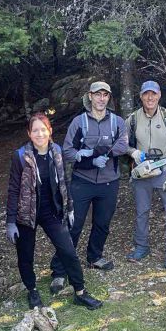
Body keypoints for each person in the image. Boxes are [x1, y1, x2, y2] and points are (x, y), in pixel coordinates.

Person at [5, 113, 103, 310]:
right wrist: (11, 221)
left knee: (68, 251)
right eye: (35, 130)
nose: (39, 134)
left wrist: (70, 208)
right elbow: (14, 189)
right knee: (26, 255)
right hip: (27, 214)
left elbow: (65, 181)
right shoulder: (21, 156)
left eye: (43, 129)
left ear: (49, 131)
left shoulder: (56, 150)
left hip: (52, 211)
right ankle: (32, 290)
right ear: (29, 133)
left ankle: (80, 292)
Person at [49, 81, 128, 294]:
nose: (101, 98)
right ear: (90, 97)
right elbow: (67, 151)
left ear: (108, 98)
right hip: (82, 181)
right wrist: (88, 158)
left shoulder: (117, 122)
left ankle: (94, 257)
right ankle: (59, 270)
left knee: (102, 223)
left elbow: (122, 144)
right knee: (73, 226)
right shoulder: (79, 122)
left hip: (109, 182)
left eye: (105, 95)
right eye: (97, 94)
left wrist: (104, 153)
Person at [125, 81, 166, 272]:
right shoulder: (132, 119)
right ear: (141, 96)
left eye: (153, 94)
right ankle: (141, 247)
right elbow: (123, 144)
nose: (150, 98)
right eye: (146, 94)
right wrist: (133, 153)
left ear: (159, 95)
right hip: (142, 170)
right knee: (142, 211)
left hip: (164, 169)